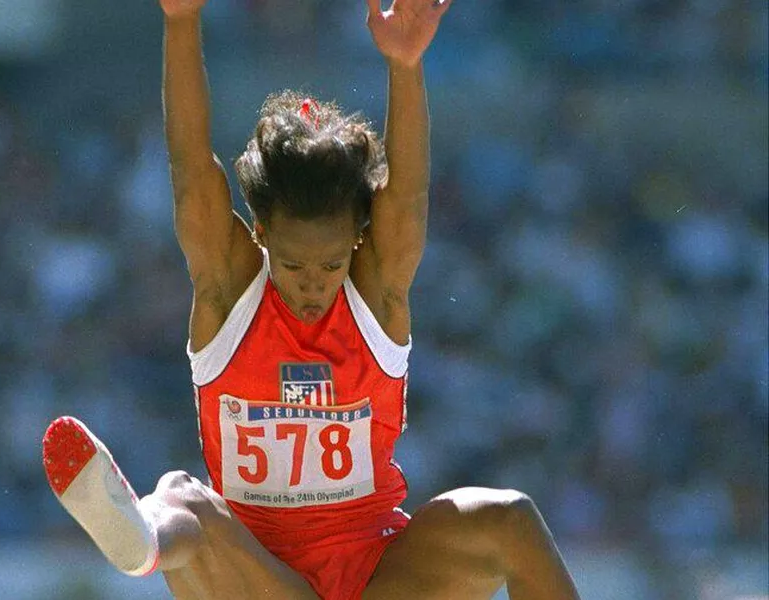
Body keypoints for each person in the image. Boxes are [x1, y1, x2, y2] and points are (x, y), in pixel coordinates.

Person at [42, 0, 581, 598]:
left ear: (356, 240)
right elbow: (192, 168)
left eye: (330, 264)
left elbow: (406, 195)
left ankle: (148, 533)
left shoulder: (375, 292)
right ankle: (139, 539)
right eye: (294, 264)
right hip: (262, 582)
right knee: (182, 495)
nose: (312, 283)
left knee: (509, 515)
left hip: (378, 578)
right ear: (261, 234)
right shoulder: (229, 290)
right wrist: (181, 19)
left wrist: (405, 66)